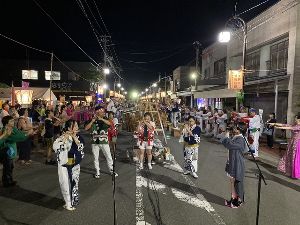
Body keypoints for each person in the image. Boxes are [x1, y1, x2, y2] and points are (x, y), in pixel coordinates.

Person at [53, 120, 84, 211]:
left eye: (77, 125)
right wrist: (65, 138)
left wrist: (74, 137)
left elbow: (81, 147)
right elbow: (55, 147)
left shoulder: (78, 137)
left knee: (75, 182)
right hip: (64, 165)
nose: (77, 128)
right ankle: (68, 203)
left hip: (75, 164)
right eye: (75, 126)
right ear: (69, 128)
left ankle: (73, 199)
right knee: (65, 184)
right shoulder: (62, 137)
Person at [85, 106, 117, 178]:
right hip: (94, 142)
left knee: (108, 156)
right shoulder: (92, 119)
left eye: (103, 112)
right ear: (96, 112)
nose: (103, 113)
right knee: (95, 158)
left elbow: (110, 124)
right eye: (101, 112)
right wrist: (92, 121)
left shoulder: (105, 119)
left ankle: (112, 171)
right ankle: (97, 172)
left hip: (104, 141)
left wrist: (101, 119)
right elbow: (86, 128)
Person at [221, 122, 247, 208]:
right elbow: (227, 144)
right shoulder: (236, 137)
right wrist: (227, 136)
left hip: (237, 164)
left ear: (240, 130)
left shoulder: (241, 139)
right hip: (233, 162)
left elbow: (230, 145)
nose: (234, 129)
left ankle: (237, 202)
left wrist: (227, 136)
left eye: (236, 128)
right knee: (233, 182)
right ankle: (232, 199)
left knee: (237, 183)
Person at [0, 116, 28, 187]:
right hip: (7, 151)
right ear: (6, 124)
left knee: (10, 167)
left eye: (13, 120)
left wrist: (25, 133)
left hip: (11, 151)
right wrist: (26, 134)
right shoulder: (5, 130)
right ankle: (7, 182)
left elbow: (19, 134)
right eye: (11, 121)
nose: (13, 122)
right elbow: (17, 137)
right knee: (8, 167)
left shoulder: (12, 128)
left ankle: (9, 180)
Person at [270, 113, 300, 179]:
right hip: (292, 142)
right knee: (290, 157)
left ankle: (296, 174)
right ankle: (292, 173)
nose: (294, 119)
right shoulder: (295, 124)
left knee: (295, 158)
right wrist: (274, 124)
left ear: (299, 119)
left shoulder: (298, 126)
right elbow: (285, 125)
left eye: (296, 118)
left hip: (297, 143)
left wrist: (278, 127)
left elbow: (289, 127)